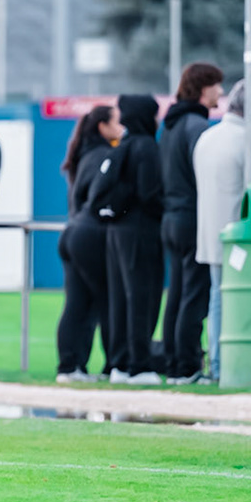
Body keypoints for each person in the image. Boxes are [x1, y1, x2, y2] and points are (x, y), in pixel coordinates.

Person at [90, 94, 165, 385]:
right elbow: (148, 194)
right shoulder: (146, 147)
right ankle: (140, 366)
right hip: (140, 231)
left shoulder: (123, 145)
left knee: (121, 298)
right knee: (142, 298)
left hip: (118, 230)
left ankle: (120, 363)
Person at [158, 61, 223, 382]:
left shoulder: (170, 125)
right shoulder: (196, 126)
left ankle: (173, 364)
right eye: (216, 85)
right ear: (202, 88)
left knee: (178, 295)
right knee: (194, 296)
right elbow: (207, 177)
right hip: (191, 218)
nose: (221, 93)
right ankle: (187, 366)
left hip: (171, 217)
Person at [55, 104, 119, 382]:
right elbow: (100, 201)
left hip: (72, 232)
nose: (122, 128)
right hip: (89, 234)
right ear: (102, 127)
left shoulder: (82, 156)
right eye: (117, 122)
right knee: (107, 301)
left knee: (78, 303)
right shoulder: (104, 156)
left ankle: (70, 367)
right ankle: (112, 366)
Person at [190, 79, 248, 382]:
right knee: (242, 300)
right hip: (242, 239)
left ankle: (216, 364)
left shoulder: (208, 138)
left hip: (211, 235)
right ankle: (235, 364)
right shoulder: (246, 141)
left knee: (217, 299)